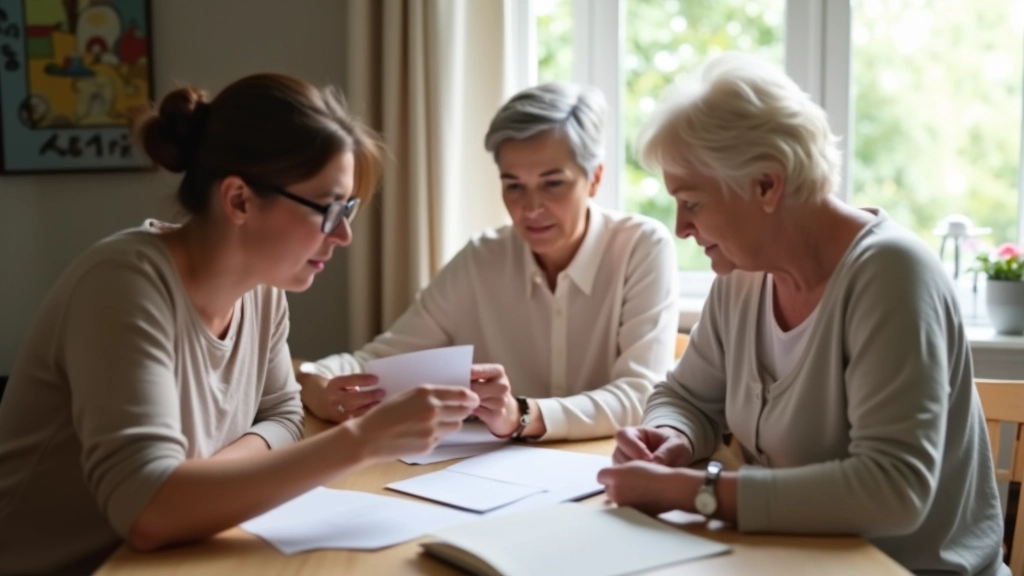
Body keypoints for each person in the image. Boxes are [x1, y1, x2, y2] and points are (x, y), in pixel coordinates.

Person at [0, 74, 478, 575]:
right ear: (239, 200)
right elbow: (146, 512)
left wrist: (193, 481)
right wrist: (361, 441)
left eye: (350, 207)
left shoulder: (264, 290)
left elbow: (285, 414)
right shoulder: (122, 285)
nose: (344, 234)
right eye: (330, 207)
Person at [596, 53, 1007, 576]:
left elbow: (893, 490)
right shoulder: (743, 273)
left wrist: (698, 491)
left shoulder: (893, 275)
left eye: (692, 203)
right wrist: (670, 436)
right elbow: (686, 397)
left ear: (767, 185)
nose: (680, 227)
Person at [298, 82, 678, 441]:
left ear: (594, 179)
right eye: (513, 185)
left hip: (604, 470)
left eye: (553, 183)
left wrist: (522, 415)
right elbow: (378, 360)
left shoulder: (642, 248)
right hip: (491, 478)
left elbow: (640, 395)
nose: (531, 208)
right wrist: (316, 382)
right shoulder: (482, 259)